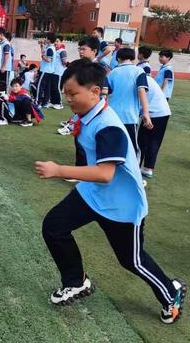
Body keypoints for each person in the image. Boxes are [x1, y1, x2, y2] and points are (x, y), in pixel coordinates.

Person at [36, 59, 186, 323]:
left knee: (132, 261)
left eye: (73, 93)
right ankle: (76, 281)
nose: (68, 99)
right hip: (92, 195)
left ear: (95, 91)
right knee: (54, 226)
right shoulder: (87, 113)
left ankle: (170, 291)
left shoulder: (109, 126)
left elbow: (105, 174)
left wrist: (59, 170)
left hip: (121, 205)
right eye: (65, 94)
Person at [104, 47, 153, 156]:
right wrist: (146, 113)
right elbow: (142, 91)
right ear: (133, 58)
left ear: (118, 58)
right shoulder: (139, 71)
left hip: (112, 115)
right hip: (129, 117)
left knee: (113, 146)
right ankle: (133, 171)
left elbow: (106, 94)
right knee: (132, 149)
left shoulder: (112, 73)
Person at [138, 77, 171, 180]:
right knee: (151, 142)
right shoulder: (144, 78)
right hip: (162, 112)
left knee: (143, 142)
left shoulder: (139, 80)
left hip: (154, 113)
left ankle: (140, 168)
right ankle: (147, 169)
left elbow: (138, 101)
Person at [36, 33, 56, 107]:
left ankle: (38, 102)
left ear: (49, 40)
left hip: (45, 70)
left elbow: (48, 59)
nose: (45, 39)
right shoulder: (49, 47)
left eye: (46, 38)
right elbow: (44, 52)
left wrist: (42, 56)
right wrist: (41, 46)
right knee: (47, 87)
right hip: (50, 71)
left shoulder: (50, 49)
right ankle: (45, 102)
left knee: (40, 86)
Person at [50, 36, 67, 110]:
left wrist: (63, 66)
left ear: (61, 42)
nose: (55, 43)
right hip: (54, 72)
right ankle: (53, 102)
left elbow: (64, 61)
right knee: (53, 87)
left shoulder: (62, 50)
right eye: (55, 41)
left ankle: (59, 103)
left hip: (59, 72)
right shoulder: (55, 50)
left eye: (57, 41)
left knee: (57, 88)